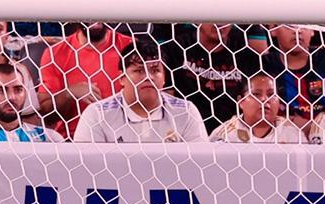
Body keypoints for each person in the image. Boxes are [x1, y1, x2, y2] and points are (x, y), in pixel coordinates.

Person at [73, 37, 206, 143]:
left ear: (165, 78)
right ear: (121, 78)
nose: (148, 77)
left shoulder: (186, 112)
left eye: (155, 71)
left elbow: (201, 165)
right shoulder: (97, 114)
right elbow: (87, 168)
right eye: (139, 71)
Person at [38, 22, 132, 137]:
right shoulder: (54, 54)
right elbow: (45, 117)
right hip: (72, 143)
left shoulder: (131, 48)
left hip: (123, 139)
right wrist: (69, 94)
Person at [161, 23, 245, 134]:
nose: (220, 23)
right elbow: (167, 100)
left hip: (231, 136)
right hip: (185, 133)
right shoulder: (176, 48)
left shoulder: (243, 52)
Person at [0, 62, 63, 142]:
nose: (11, 97)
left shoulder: (48, 138)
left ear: (25, 93)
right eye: (2, 91)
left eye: (18, 90)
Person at [208, 72, 304, 143]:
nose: (264, 99)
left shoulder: (291, 132)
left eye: (271, 94)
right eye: (256, 94)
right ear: (241, 101)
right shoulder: (225, 136)